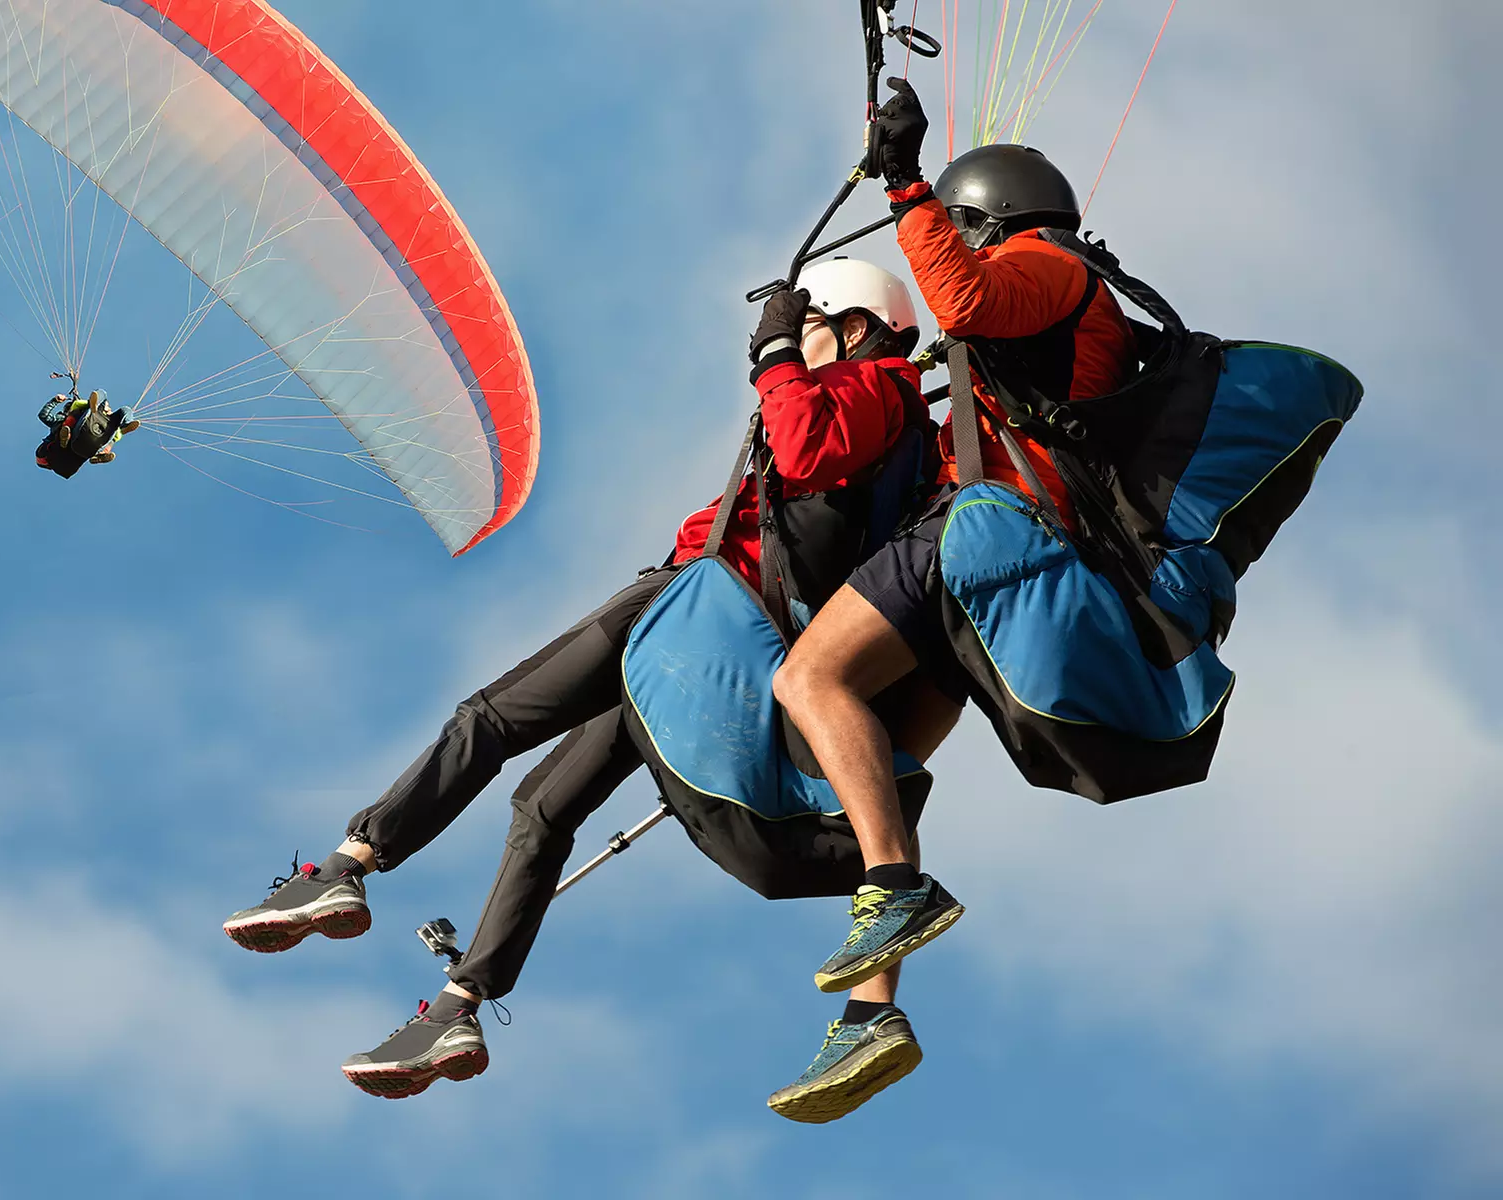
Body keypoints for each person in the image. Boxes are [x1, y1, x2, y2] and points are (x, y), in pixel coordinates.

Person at [224, 260, 928, 1099]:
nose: (795, 344)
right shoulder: (897, 418)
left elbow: (807, 445)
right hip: (709, 637)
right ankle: (459, 1006)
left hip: (694, 606)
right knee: (543, 806)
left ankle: (350, 863)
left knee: (487, 718)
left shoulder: (875, 384)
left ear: (852, 327)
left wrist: (776, 352)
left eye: (811, 325)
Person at [765, 77, 1137, 1119]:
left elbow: (966, 299)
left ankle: (894, 897)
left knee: (808, 679)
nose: (953, 250)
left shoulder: (1048, 269)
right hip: (1012, 559)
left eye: (959, 230)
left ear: (988, 220)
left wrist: (901, 182)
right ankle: (870, 1016)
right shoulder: (1053, 319)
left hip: (991, 536)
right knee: (870, 765)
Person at [35, 390, 139, 477]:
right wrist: (55, 401)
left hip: (93, 432)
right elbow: (43, 416)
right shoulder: (62, 418)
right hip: (74, 434)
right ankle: (66, 439)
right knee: (102, 394)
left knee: (126, 410)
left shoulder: (104, 417)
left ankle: (125, 425)